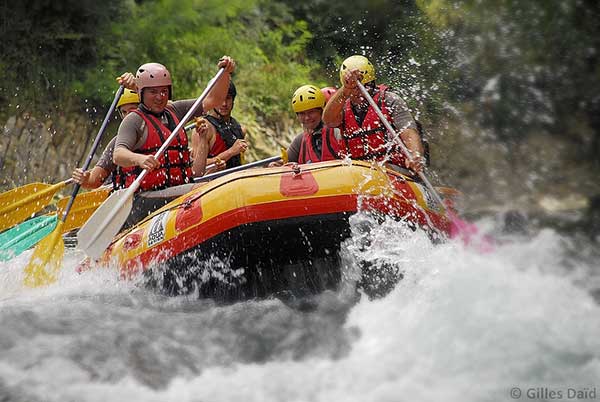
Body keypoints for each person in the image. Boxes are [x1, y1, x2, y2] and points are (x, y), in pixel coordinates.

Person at [113, 56, 236, 226]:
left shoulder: (175, 111)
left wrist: (225, 73)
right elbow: (118, 154)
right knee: (205, 191)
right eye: (153, 92)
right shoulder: (133, 120)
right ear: (141, 93)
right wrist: (140, 159)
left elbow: (213, 100)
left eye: (164, 91)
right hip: (144, 198)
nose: (159, 97)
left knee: (215, 187)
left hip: (175, 189)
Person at [322, 55, 425, 173]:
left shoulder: (390, 100)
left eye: (366, 86)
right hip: (358, 173)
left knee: (381, 168)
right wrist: (345, 89)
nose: (360, 91)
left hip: (396, 170)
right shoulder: (342, 107)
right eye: (354, 88)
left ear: (373, 82)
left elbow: (409, 133)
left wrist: (415, 154)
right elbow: (328, 120)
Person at [72, 89, 140, 189]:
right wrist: (85, 179)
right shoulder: (116, 143)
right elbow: (94, 181)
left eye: (132, 111)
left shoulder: (163, 129)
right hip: (130, 197)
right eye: (124, 112)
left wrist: (136, 85)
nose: (127, 116)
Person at [271, 85, 342, 167]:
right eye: (302, 113)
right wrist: (277, 166)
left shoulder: (337, 132)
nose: (307, 117)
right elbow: (284, 163)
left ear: (322, 111)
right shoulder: (300, 140)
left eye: (311, 112)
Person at [196, 81, 248, 172]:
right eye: (220, 98)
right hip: (213, 183)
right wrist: (230, 152)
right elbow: (195, 166)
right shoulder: (204, 128)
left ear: (233, 100)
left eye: (228, 98)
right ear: (213, 100)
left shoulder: (240, 129)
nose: (224, 104)